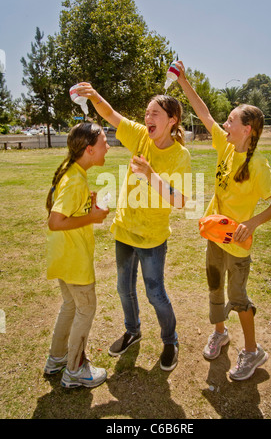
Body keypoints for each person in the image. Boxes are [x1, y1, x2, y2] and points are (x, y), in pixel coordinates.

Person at [176, 61, 271, 380]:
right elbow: (204, 112)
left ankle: (252, 351)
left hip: (237, 247)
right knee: (214, 289)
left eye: (231, 120)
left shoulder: (258, 166)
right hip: (215, 237)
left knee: (238, 299)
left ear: (246, 129)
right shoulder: (225, 145)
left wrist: (251, 224)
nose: (225, 123)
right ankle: (220, 333)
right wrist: (184, 82)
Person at [76, 83, 192, 371]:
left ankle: (170, 340)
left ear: (172, 120)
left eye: (155, 113)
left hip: (152, 237)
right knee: (123, 289)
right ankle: (133, 330)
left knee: (156, 294)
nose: (148, 118)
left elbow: (181, 201)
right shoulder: (141, 135)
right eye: (146, 113)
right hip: (125, 229)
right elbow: (111, 115)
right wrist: (93, 96)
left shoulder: (180, 156)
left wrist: (152, 176)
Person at [44, 122, 110, 388]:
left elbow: (68, 212)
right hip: (75, 260)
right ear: (90, 149)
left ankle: (57, 359)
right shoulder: (73, 180)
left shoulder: (74, 173)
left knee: (70, 306)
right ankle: (75, 370)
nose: (108, 146)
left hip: (64, 257)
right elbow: (55, 221)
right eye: (105, 142)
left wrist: (88, 208)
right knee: (86, 309)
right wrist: (92, 216)